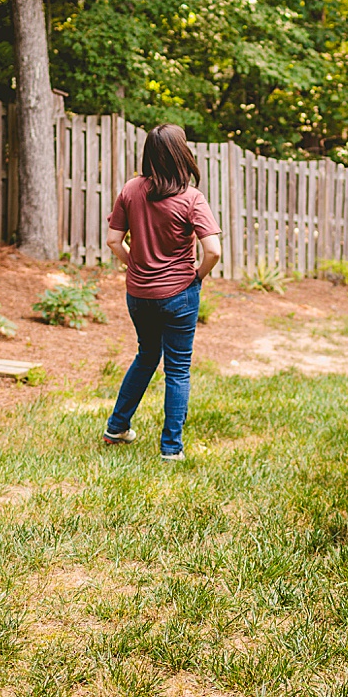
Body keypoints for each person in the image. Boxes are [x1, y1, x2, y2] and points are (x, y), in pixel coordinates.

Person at [103, 123, 222, 460]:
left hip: (138, 294)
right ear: (180, 154)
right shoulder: (190, 197)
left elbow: (113, 241)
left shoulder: (130, 189)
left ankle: (116, 427)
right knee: (178, 369)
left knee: (146, 356)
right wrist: (196, 277)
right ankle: (171, 448)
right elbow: (213, 250)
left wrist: (134, 264)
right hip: (179, 295)